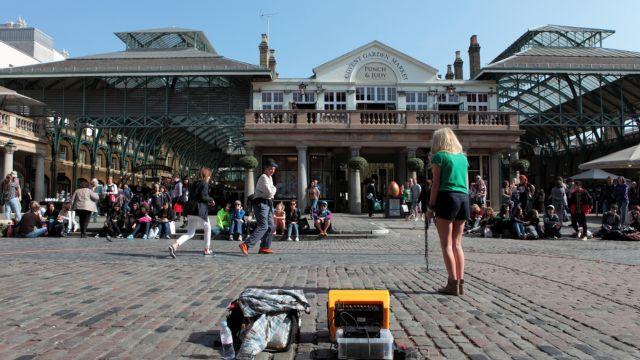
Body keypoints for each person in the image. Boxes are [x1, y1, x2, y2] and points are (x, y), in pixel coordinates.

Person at [426, 127, 468, 296]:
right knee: (457, 244)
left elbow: (435, 184)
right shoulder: (463, 159)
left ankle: (452, 283)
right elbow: (466, 181)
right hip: (463, 198)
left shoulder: (439, 157)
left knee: (446, 244)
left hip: (447, 198)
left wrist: (430, 207)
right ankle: (460, 283)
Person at [169, 168, 214, 258]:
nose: (209, 178)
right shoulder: (204, 183)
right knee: (208, 228)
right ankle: (206, 249)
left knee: (190, 233)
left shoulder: (193, 184)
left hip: (191, 210)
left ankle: (175, 245)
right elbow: (203, 197)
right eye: (209, 176)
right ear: (206, 176)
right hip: (199, 210)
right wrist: (211, 200)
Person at [240, 159, 278, 256]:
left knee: (271, 226)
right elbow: (270, 192)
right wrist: (274, 189)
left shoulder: (270, 178)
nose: (272, 170)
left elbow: (271, 194)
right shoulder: (263, 177)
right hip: (260, 203)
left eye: (273, 168)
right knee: (263, 226)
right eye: (270, 168)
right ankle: (246, 244)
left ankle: (264, 247)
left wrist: (272, 190)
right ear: (266, 168)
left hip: (268, 204)